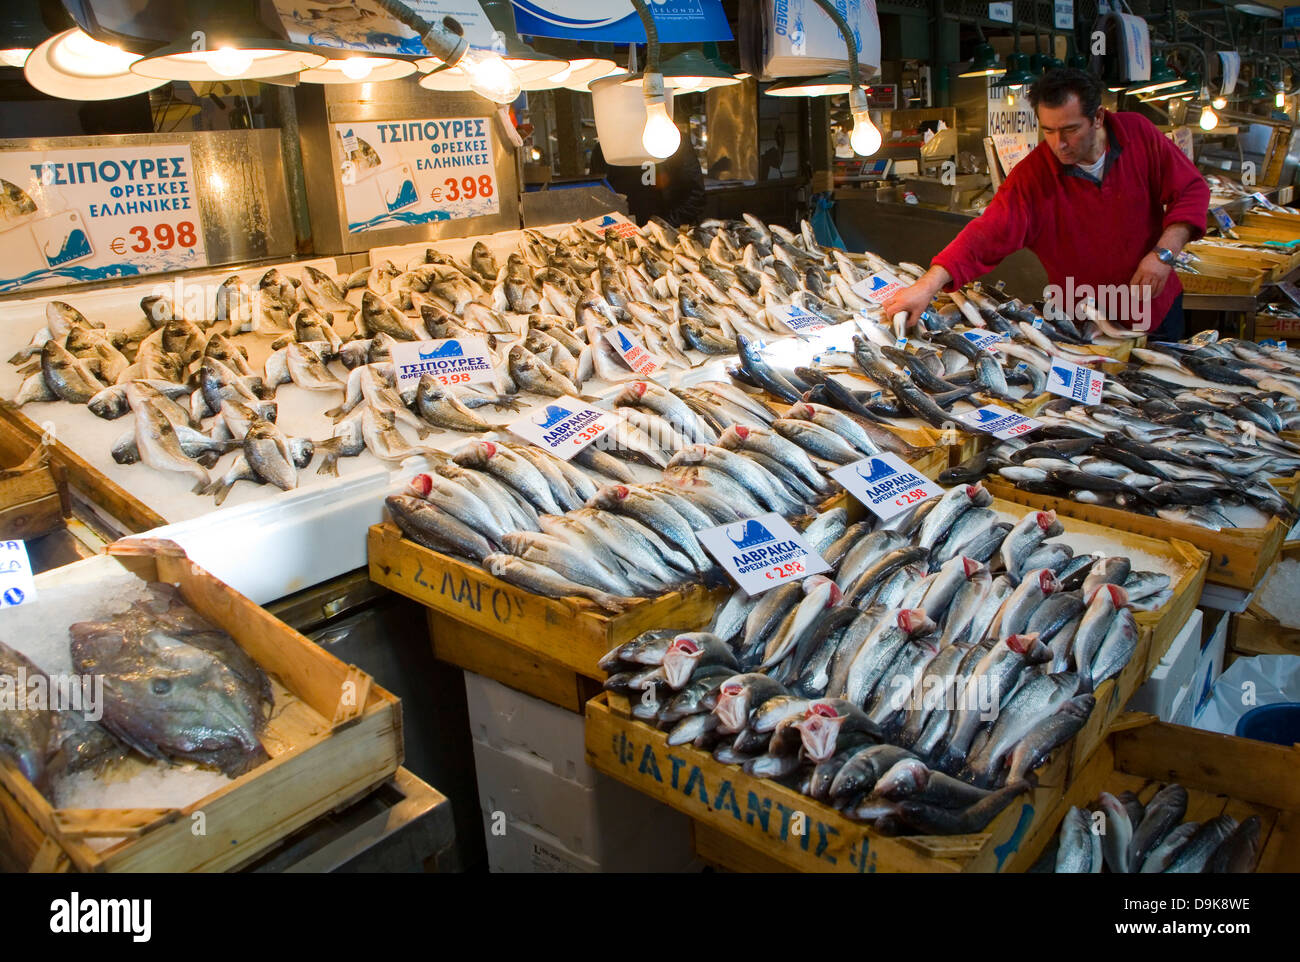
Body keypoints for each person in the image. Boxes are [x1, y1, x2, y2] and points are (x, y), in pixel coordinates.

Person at [882, 68, 1210, 340]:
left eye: (1070, 130)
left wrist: (1162, 255)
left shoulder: (1136, 134)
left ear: (1098, 117)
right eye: (1049, 131)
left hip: (1155, 311)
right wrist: (927, 285)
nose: (1059, 144)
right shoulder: (1035, 176)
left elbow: (1191, 190)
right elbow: (987, 233)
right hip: (1082, 323)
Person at [588, 131, 706, 228]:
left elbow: (695, 195)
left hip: (669, 236)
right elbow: (596, 198)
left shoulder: (672, 141)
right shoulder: (603, 149)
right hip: (622, 237)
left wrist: (664, 226)